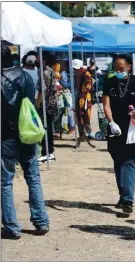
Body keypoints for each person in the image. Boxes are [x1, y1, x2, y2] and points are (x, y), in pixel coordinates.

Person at [1, 43, 50, 239]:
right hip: (27, 132)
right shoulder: (24, 75)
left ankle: (12, 227)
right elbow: (31, 102)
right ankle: (41, 221)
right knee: (33, 177)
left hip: (5, 135)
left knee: (5, 182)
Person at [103, 54, 135, 214]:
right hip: (115, 126)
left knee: (129, 162)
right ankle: (123, 193)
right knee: (118, 162)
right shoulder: (109, 81)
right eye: (115, 68)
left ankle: (128, 199)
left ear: (129, 67)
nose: (118, 70)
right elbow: (107, 105)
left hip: (132, 126)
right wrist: (110, 122)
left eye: (121, 68)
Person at [37, 52, 58, 163]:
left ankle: (47, 152)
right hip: (52, 103)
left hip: (46, 103)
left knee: (46, 127)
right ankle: (49, 151)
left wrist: (38, 102)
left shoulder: (44, 72)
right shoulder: (50, 71)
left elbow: (44, 90)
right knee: (48, 127)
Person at [72, 59, 95, 141]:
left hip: (85, 98)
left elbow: (87, 87)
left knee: (85, 116)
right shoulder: (80, 73)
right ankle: (82, 134)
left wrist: (82, 93)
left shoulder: (86, 74)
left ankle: (89, 133)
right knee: (79, 116)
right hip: (81, 97)